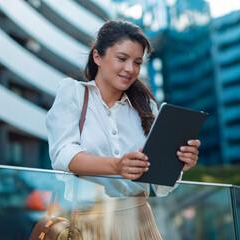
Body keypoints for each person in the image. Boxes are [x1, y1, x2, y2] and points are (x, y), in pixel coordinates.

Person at [46, 19, 201, 240]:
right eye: (122, 58)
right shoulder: (74, 94)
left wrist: (178, 163)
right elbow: (62, 155)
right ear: (97, 56)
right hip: (91, 222)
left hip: (141, 222)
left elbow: (159, 185)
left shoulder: (146, 108)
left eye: (137, 62)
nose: (130, 69)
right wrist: (117, 166)